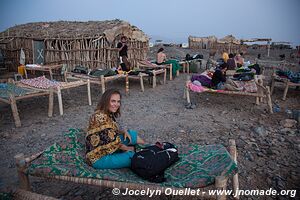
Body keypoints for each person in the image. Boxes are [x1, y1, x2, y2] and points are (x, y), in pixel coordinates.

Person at [85, 89, 145, 169]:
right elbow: (111, 141)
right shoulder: (99, 117)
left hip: (107, 147)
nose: (116, 104)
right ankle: (148, 153)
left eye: (118, 101)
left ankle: (148, 148)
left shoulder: (107, 113)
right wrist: (130, 149)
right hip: (98, 158)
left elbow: (112, 131)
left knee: (131, 134)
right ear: (105, 101)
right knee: (133, 156)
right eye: (113, 101)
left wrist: (124, 131)